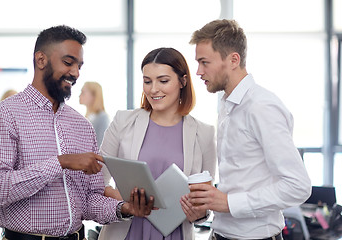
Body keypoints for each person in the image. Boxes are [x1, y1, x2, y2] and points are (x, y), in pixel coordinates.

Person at [0, 25, 152, 240]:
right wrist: (61, 162)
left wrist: (125, 208)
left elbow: (90, 200)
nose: (75, 73)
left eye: (79, 65)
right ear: (41, 60)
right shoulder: (5, 115)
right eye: (68, 62)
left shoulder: (82, 125)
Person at [183, 19, 312, 240]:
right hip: (220, 234)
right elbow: (241, 178)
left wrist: (229, 202)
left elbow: (298, 186)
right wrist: (206, 207)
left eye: (204, 62)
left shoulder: (262, 107)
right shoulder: (227, 104)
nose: (198, 71)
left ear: (234, 59)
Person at [98, 47, 217, 240]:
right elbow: (97, 183)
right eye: (147, 81)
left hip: (175, 234)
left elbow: (205, 200)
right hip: (127, 232)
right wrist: (127, 203)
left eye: (163, 81)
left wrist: (200, 214)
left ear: (182, 81)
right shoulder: (123, 122)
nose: (153, 89)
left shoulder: (204, 133)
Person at [79, 81, 110, 147]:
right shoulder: (87, 117)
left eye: (83, 92)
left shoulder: (102, 118)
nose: (79, 95)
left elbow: (100, 145)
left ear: (94, 96)